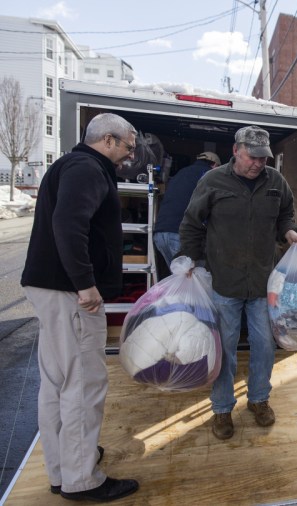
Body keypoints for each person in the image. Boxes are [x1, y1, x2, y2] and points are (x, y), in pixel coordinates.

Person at [20, 113, 140, 502]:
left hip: (54, 289)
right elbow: (70, 225)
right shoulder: (88, 168)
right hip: (70, 295)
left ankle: (64, 467)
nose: (130, 154)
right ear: (108, 140)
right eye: (128, 146)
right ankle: (82, 478)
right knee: (83, 385)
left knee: (57, 383)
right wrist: (85, 284)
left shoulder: (72, 165)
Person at [179, 125, 297, 440]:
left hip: (263, 281)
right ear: (236, 151)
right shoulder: (213, 181)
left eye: (264, 159)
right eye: (252, 157)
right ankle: (222, 408)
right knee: (224, 348)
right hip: (225, 281)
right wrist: (190, 261)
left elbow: (285, 215)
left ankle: (259, 400)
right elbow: (192, 223)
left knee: (264, 345)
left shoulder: (276, 182)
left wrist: (288, 230)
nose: (258, 164)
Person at [153, 152, 221, 268]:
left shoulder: (181, 173)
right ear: (214, 165)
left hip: (160, 234)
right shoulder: (208, 175)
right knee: (195, 278)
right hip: (181, 235)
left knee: (180, 277)